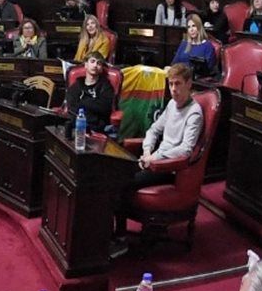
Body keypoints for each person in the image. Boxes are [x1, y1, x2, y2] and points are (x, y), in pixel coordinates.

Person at [116, 64, 203, 245]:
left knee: (123, 181)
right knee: (114, 171)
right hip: (155, 160)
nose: (173, 89)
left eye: (178, 84)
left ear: (189, 84)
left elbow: (186, 149)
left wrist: (154, 158)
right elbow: (154, 130)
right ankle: (119, 232)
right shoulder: (171, 104)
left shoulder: (194, 112)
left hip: (170, 168)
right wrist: (147, 151)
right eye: (170, 84)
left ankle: (121, 234)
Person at [65, 54, 115, 131]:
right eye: (92, 61)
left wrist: (83, 103)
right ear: (86, 65)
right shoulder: (77, 85)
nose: (95, 65)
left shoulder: (106, 86)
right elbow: (71, 107)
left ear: (101, 68)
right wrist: (92, 104)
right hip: (77, 125)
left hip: (97, 127)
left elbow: (105, 108)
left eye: (99, 63)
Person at [172, 12, 218, 76]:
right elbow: (174, 63)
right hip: (180, 77)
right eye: (189, 27)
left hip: (196, 80)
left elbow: (208, 69)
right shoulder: (184, 43)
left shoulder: (207, 46)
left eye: (194, 26)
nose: (191, 30)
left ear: (199, 27)